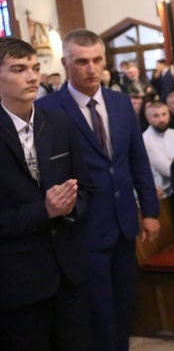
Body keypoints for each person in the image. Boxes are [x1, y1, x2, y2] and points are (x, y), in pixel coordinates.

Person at [36, 29, 160, 350]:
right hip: (83, 225)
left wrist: (150, 211)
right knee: (97, 311)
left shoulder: (120, 103)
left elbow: (137, 159)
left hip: (123, 224)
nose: (91, 69)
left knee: (123, 306)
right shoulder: (49, 109)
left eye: (96, 60)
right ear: (65, 63)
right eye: (81, 62)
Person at [0, 37, 96, 350]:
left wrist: (69, 207)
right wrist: (45, 210)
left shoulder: (57, 122)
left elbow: (85, 187)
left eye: (35, 68)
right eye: (18, 69)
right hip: (17, 279)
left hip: (68, 270)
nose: (32, 77)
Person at [143, 101, 174, 198]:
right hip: (165, 193)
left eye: (164, 114)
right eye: (156, 116)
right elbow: (168, 170)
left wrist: (173, 160)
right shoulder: (146, 139)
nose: (161, 119)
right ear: (148, 118)